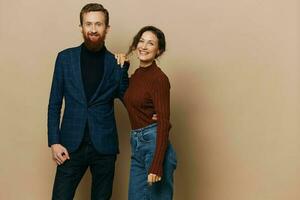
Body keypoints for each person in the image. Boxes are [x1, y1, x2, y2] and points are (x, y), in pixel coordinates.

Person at [47, 3, 129, 199]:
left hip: (104, 147)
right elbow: (54, 103)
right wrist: (54, 142)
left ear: (106, 28)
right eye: (88, 24)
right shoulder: (65, 59)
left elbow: (129, 100)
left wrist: (124, 69)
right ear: (81, 27)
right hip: (70, 145)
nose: (93, 29)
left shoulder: (115, 64)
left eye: (98, 24)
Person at [116, 26, 177, 200]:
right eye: (141, 41)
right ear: (136, 45)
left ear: (159, 50)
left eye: (150, 43)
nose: (144, 46)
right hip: (137, 144)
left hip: (155, 145)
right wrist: (123, 67)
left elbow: (164, 122)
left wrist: (157, 165)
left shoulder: (159, 79)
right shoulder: (136, 76)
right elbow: (125, 96)